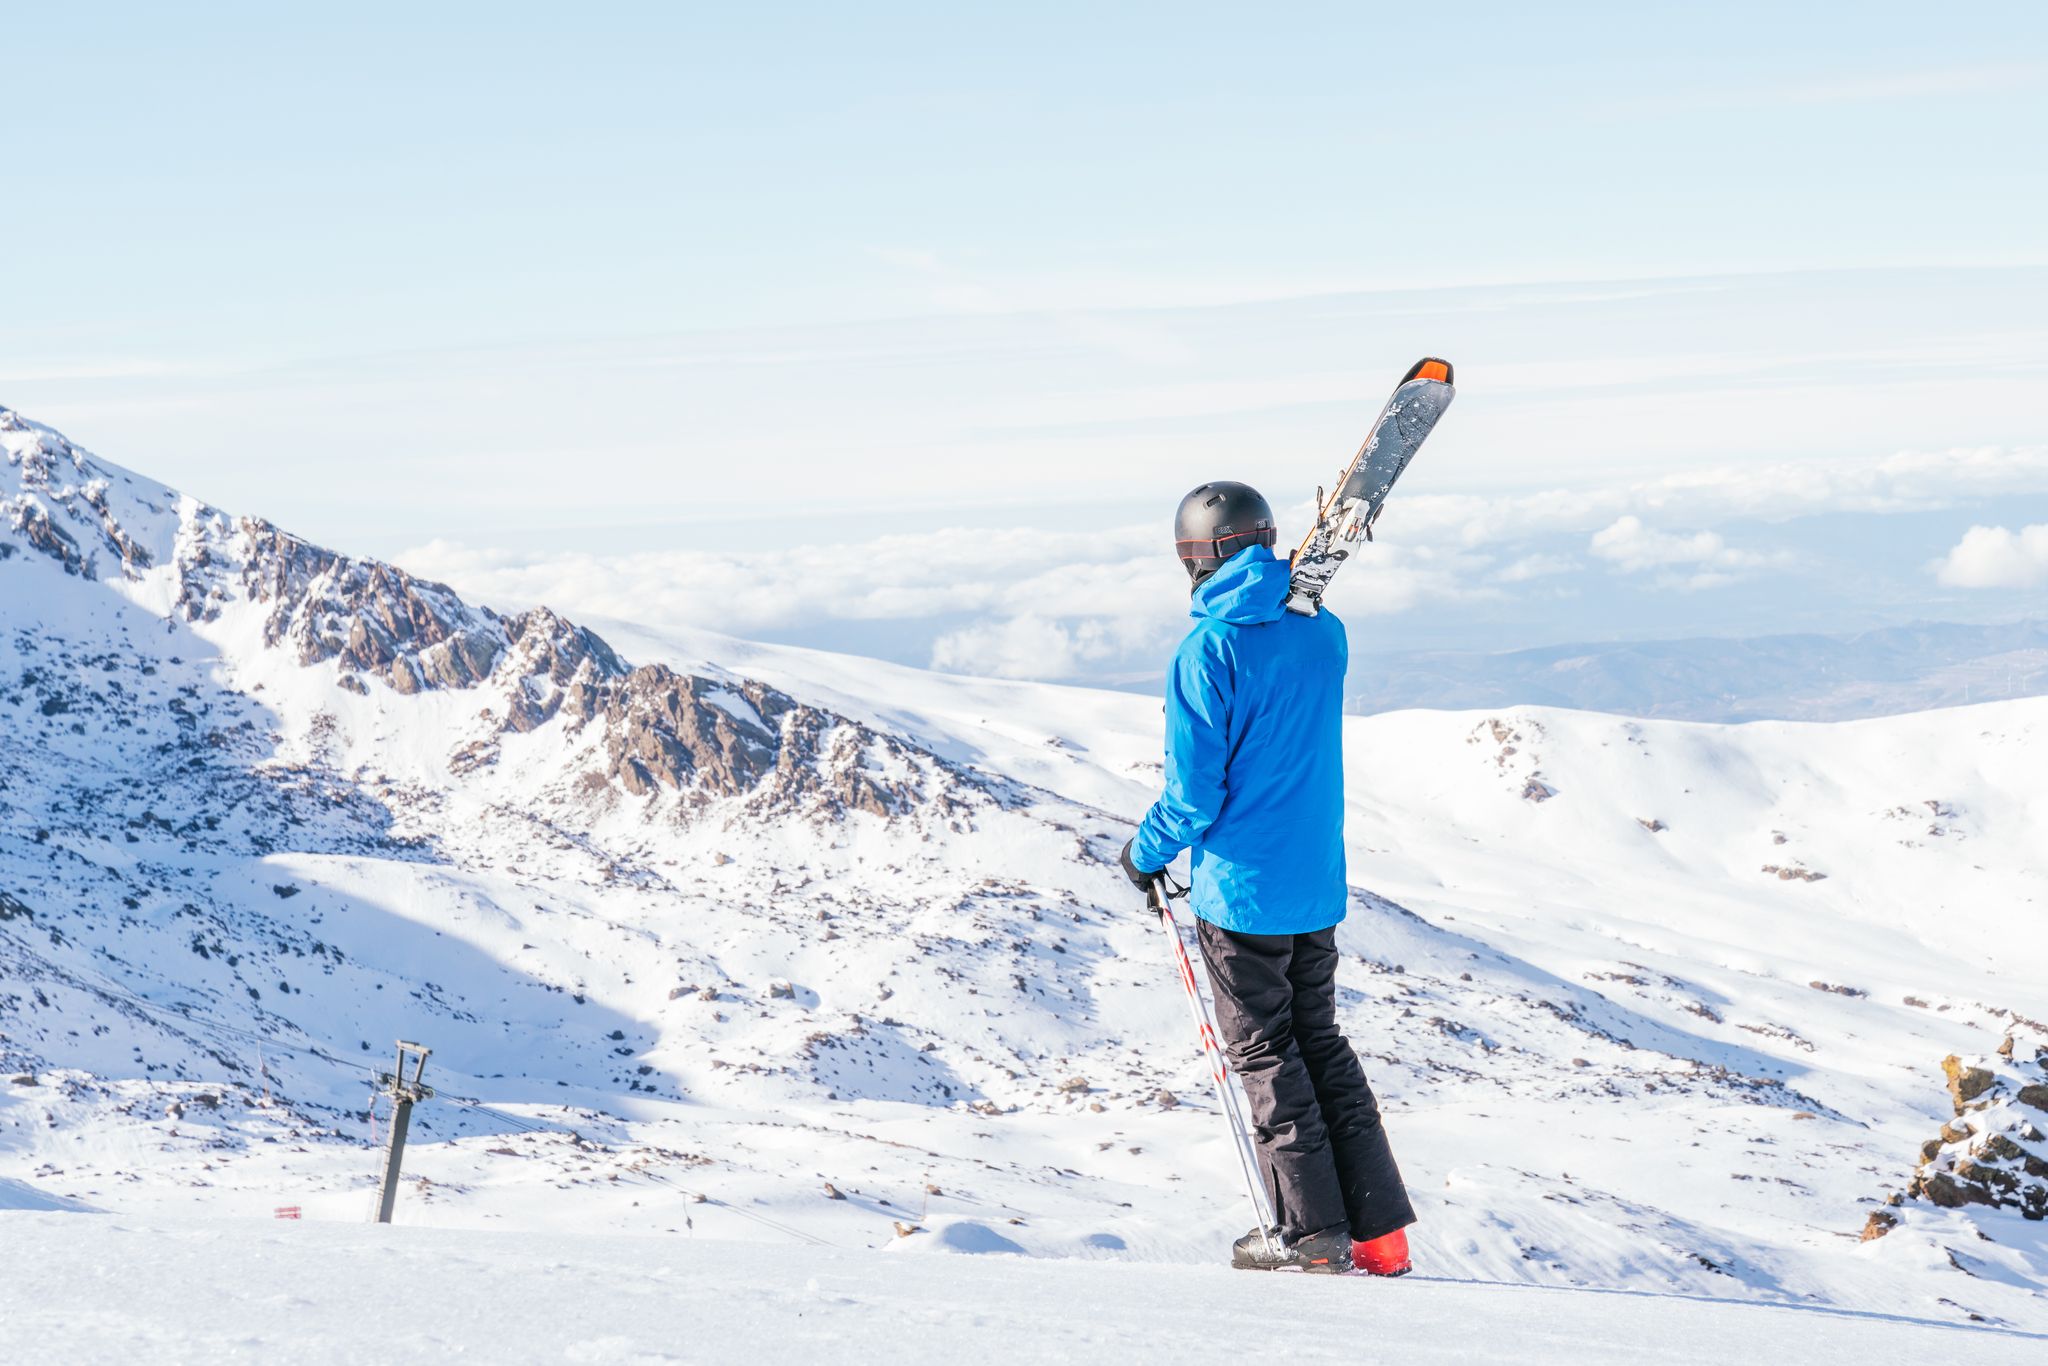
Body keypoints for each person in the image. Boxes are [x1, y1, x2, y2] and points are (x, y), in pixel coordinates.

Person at [1120, 480, 1416, 1276]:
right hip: (1314, 883)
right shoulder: (1324, 632)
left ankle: (1312, 1234)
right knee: (1319, 1043)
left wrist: (1145, 854)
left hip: (1243, 891)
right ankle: (1380, 1236)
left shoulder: (1208, 649)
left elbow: (1193, 794)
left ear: (1197, 555)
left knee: (1266, 1057)